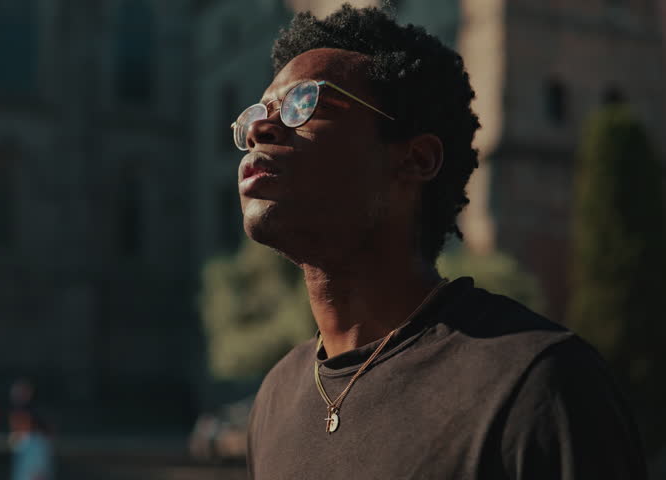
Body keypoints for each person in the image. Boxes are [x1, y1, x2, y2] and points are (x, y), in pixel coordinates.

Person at [235, 5, 647, 479]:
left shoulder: (538, 384)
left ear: (415, 159)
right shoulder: (274, 399)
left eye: (304, 104)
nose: (261, 129)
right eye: (256, 116)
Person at [9, 410, 53, 480]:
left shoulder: (39, 443)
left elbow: (40, 474)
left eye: (18, 421)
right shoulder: (18, 442)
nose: (14, 425)